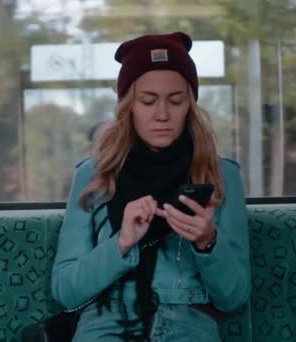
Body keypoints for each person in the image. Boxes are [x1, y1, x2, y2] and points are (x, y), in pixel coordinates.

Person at [51, 32, 250, 341]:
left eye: (176, 100)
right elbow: (66, 291)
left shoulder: (221, 175)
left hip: (189, 321)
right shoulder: (93, 174)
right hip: (106, 321)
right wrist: (122, 242)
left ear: (190, 105)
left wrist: (207, 242)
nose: (162, 115)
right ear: (128, 106)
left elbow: (234, 296)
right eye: (147, 101)